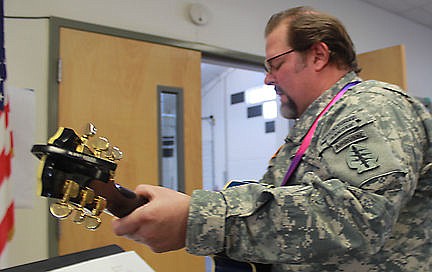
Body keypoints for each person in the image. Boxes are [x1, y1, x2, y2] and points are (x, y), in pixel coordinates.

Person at [112, 6, 432, 271]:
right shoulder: (314, 126)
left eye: (275, 64)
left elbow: (360, 216)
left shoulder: (369, 106)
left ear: (318, 55)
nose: (267, 78)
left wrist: (199, 218)